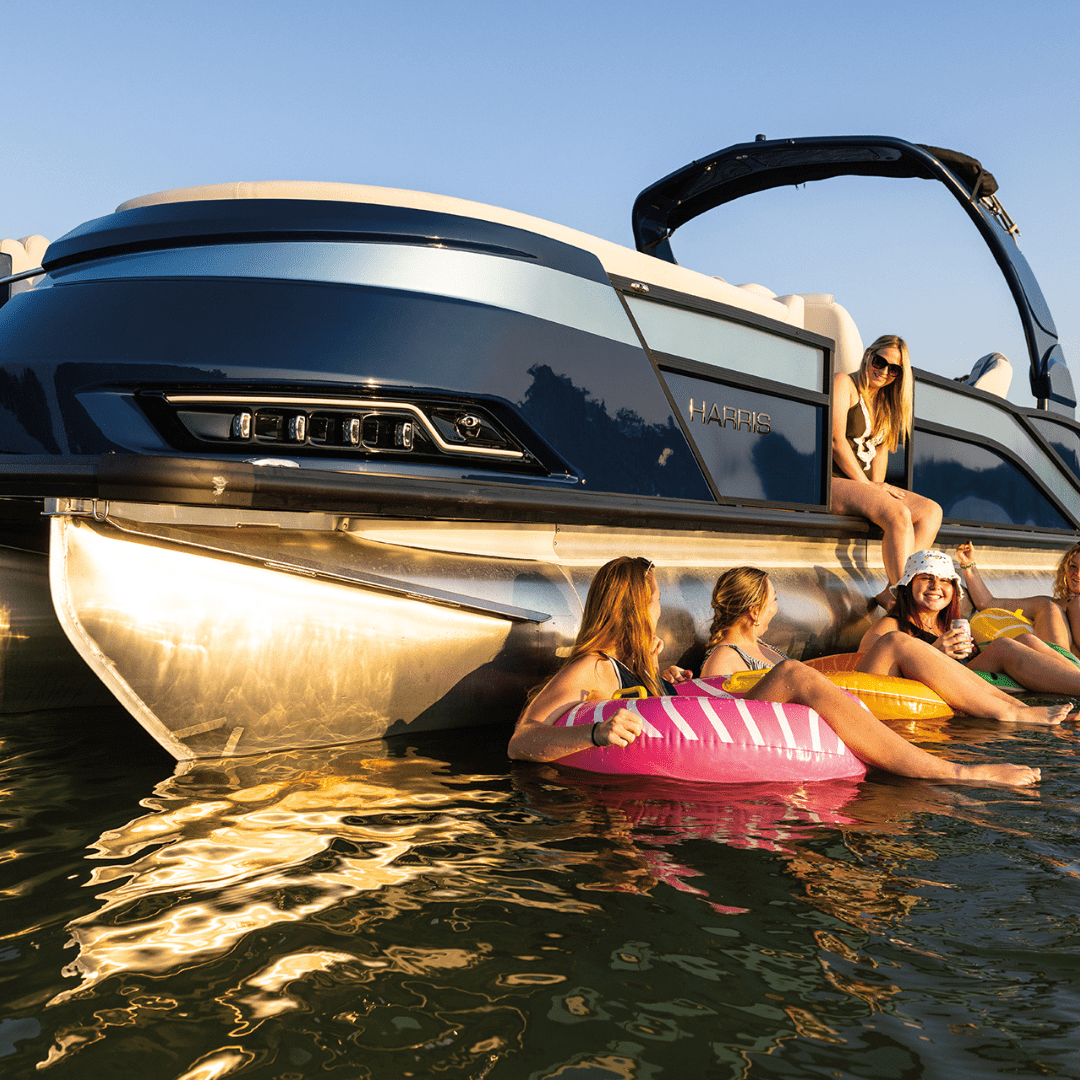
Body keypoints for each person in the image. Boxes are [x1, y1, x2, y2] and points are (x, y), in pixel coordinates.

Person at [510, 557, 1042, 786]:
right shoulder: (593, 666)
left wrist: (663, 677)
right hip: (696, 730)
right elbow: (521, 739)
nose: (655, 610)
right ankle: (954, 772)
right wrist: (597, 731)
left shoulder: (634, 662)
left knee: (799, 679)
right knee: (796, 678)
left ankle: (992, 728)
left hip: (703, 714)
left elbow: (664, 697)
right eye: (650, 601)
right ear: (629, 605)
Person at [703, 564, 1068, 733]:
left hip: (845, 692)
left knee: (1016, 644)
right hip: (842, 705)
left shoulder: (761, 645)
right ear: (753, 610)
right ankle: (1010, 713)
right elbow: (723, 715)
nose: (777, 607)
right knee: (895, 642)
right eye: (774, 600)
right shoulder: (725, 655)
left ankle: (1018, 708)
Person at [859, 549, 1080, 697]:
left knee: (1024, 639)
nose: (936, 586)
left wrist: (972, 651)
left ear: (953, 591)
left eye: (945, 581)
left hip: (963, 675)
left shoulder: (948, 625)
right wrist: (935, 651)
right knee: (1004, 647)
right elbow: (865, 675)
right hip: (939, 687)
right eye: (926, 578)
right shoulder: (890, 627)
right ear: (908, 586)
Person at [830, 335, 943, 609]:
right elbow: (835, 441)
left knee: (931, 512)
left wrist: (877, 489)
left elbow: (879, 456)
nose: (884, 371)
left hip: (862, 487)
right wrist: (871, 489)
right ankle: (904, 598)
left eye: (894, 369)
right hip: (834, 482)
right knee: (898, 513)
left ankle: (892, 591)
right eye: (880, 362)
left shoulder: (887, 404)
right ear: (869, 354)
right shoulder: (844, 383)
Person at [956, 540, 1080, 654]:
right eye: (1073, 566)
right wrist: (968, 564)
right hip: (1052, 669)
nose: (1077, 574)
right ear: (1065, 569)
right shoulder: (1046, 605)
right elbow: (987, 603)